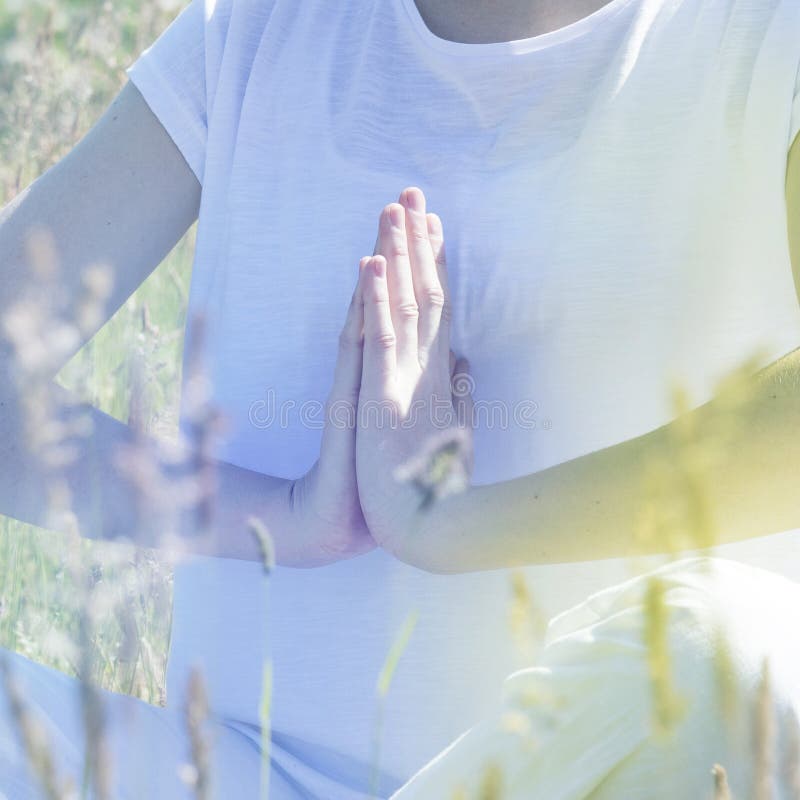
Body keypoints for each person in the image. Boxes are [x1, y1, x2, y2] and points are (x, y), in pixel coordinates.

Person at [1, 0, 800, 796]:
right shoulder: (254, 25)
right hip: (233, 773)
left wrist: (450, 525)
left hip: (565, 778)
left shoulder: (765, 32)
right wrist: (291, 516)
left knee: (737, 655)